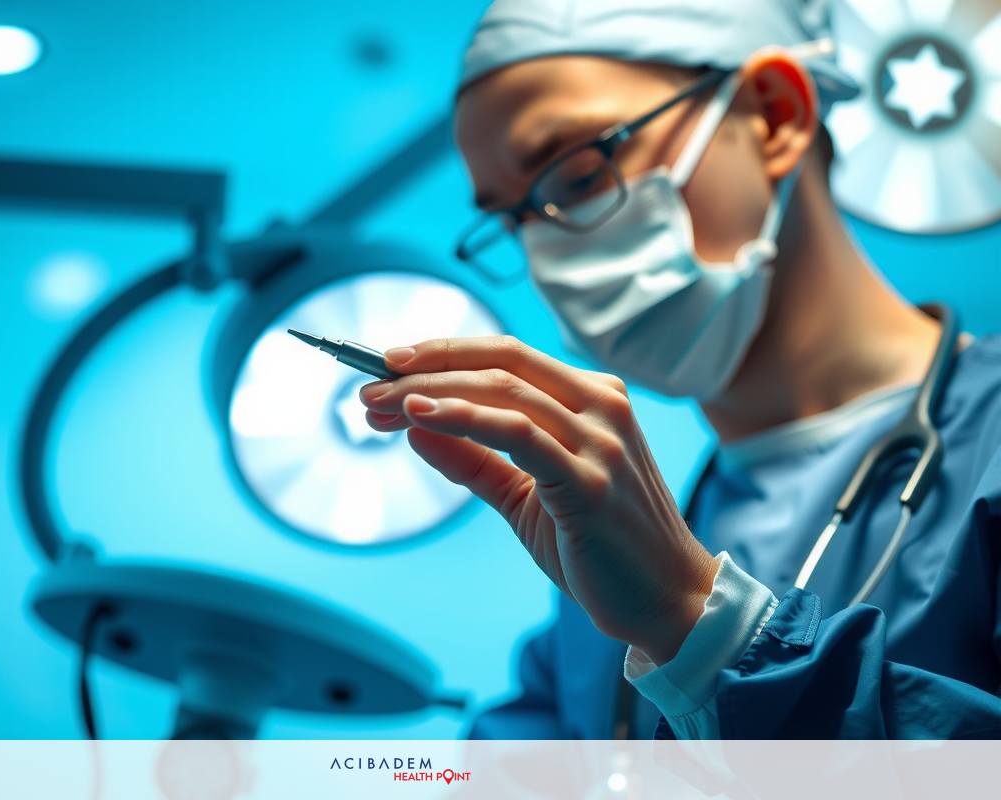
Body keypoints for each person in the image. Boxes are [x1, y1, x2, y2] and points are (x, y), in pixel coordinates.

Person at [357, 0, 1001, 749]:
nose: (548, 250)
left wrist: (699, 628)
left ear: (773, 115)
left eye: (577, 173)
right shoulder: (608, 569)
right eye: (513, 219)